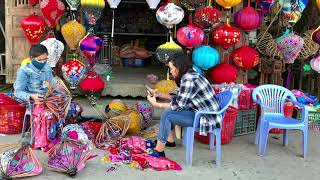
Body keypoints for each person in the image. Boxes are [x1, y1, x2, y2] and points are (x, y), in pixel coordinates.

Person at [147, 53, 222, 158]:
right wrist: (160, 94)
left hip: (206, 117)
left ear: (179, 67)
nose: (171, 71)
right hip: (201, 112)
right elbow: (182, 97)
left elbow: (179, 105)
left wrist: (156, 104)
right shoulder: (190, 74)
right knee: (169, 111)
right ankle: (169, 141)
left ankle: (159, 151)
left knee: (168, 114)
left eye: (171, 68)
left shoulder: (188, 79)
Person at [14, 44, 56, 149]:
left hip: (47, 98)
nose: (43, 62)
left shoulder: (47, 68)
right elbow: (17, 92)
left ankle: (57, 136)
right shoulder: (24, 71)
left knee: (70, 106)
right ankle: (43, 142)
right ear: (32, 58)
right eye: (40, 60)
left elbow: (52, 84)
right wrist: (31, 96)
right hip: (33, 102)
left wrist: (50, 86)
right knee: (47, 114)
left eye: (45, 59)